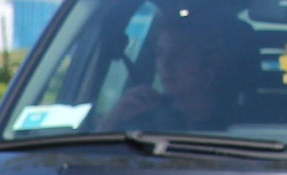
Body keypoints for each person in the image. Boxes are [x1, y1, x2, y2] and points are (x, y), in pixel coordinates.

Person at [95, 10, 243, 135]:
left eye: (179, 55)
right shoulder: (140, 115)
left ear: (212, 63)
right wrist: (113, 118)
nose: (165, 64)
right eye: (160, 53)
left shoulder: (242, 125)